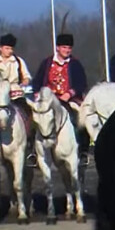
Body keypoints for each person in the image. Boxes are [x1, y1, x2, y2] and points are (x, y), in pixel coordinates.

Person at [33, 32, 90, 163]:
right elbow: (37, 81)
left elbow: (82, 83)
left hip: (68, 100)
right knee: (36, 121)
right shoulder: (46, 63)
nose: (67, 50)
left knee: (81, 120)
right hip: (48, 100)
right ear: (57, 48)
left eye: (69, 48)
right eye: (64, 47)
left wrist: (70, 93)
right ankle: (34, 153)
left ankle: (82, 151)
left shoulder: (75, 64)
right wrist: (37, 92)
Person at [0, 33, 36, 166]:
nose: (10, 51)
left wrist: (25, 81)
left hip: (16, 94)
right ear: (1, 48)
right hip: (0, 96)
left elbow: (27, 76)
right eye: (7, 48)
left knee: (30, 113)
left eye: (11, 48)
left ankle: (31, 148)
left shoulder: (18, 61)